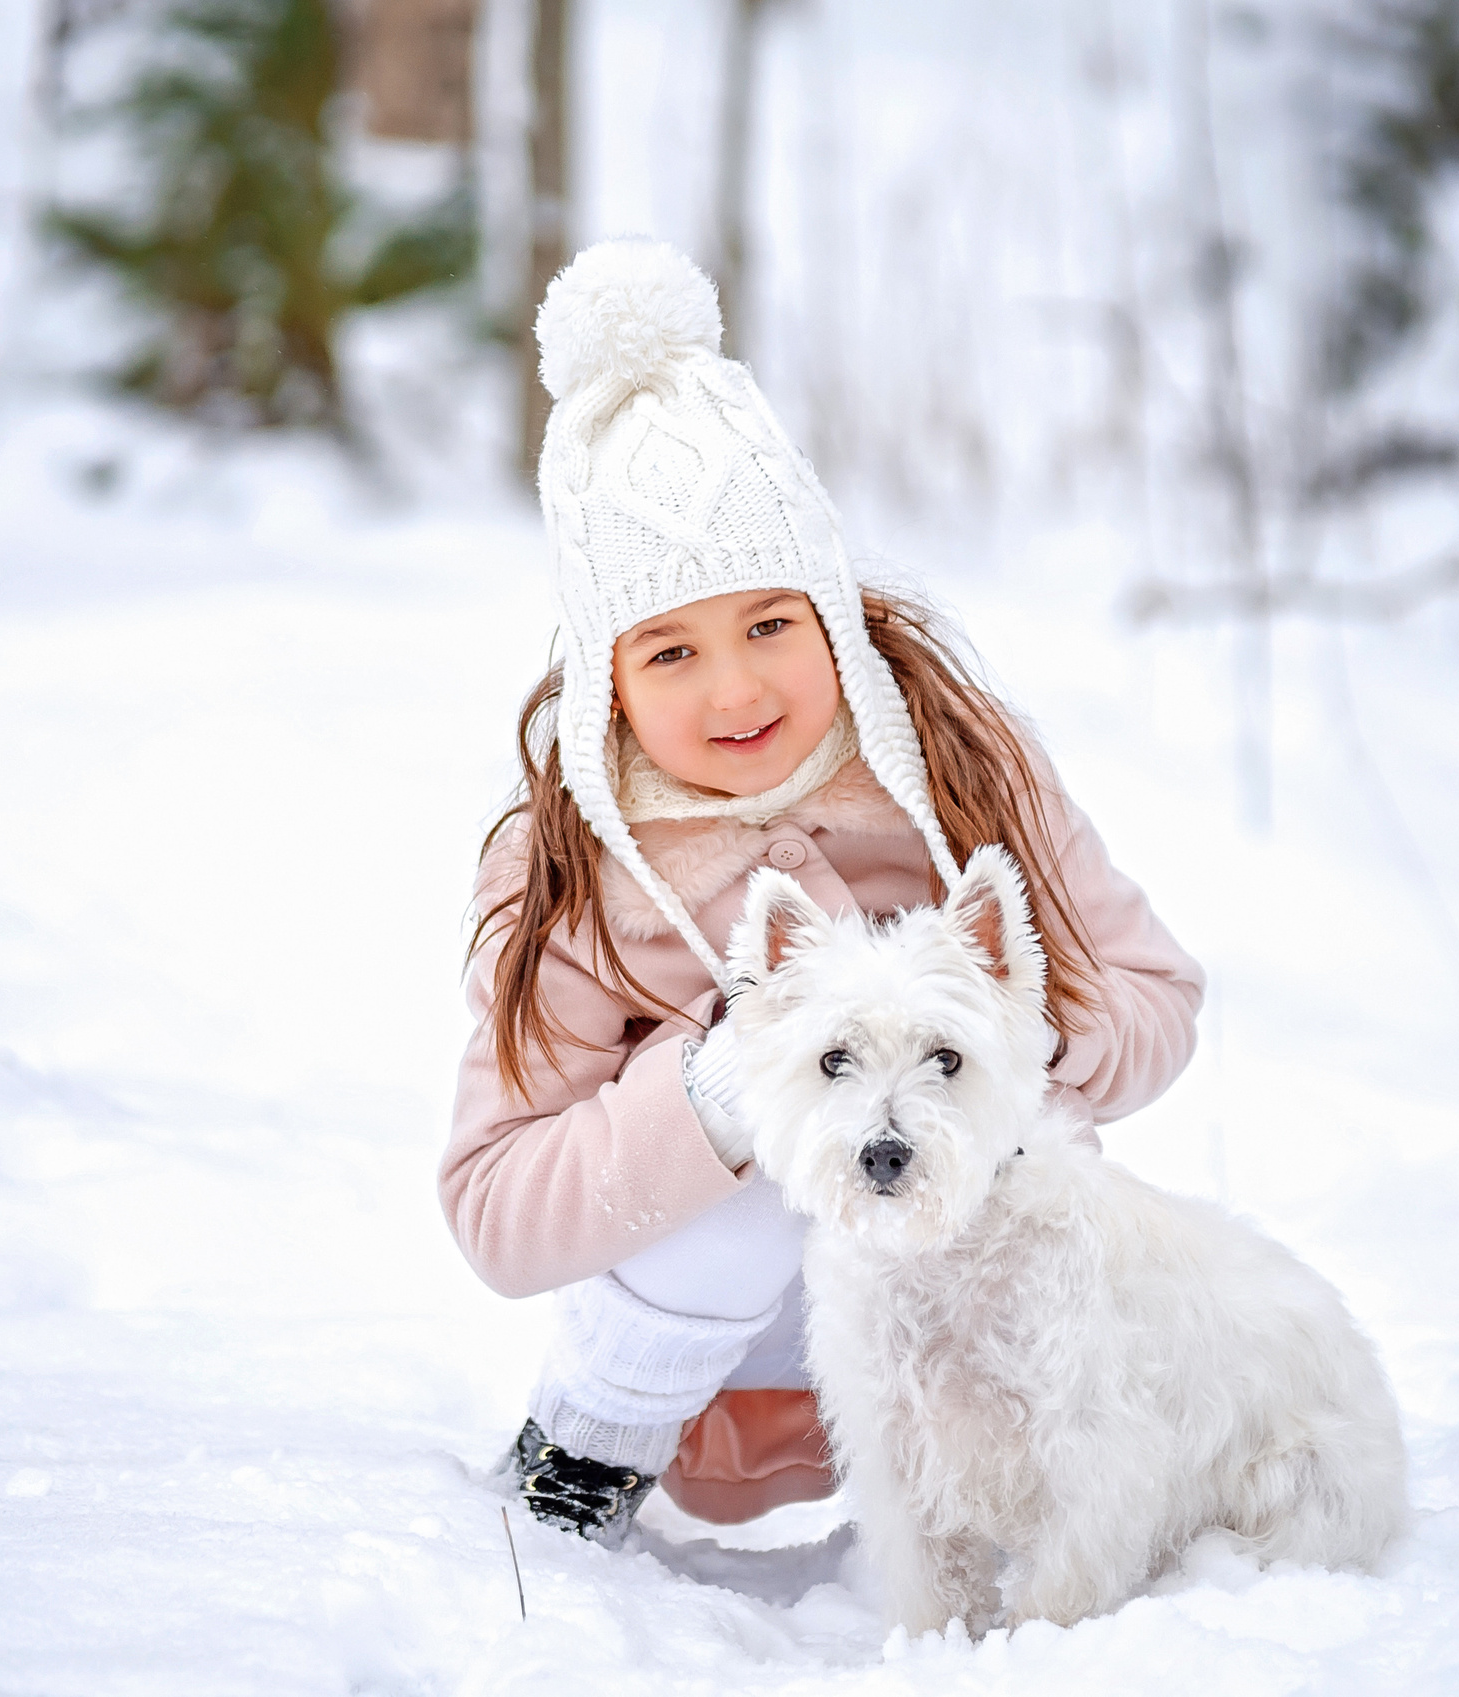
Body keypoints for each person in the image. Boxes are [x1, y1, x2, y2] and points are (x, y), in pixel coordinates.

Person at [442, 238, 1205, 1545]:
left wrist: (1009, 1035)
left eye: (770, 624)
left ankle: (1031, 1494)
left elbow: (1157, 998)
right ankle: (580, 1461)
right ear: (604, 678)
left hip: (964, 1290)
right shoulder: (568, 868)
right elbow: (493, 1212)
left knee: (1042, 1160)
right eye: (669, 651)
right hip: (727, 1326)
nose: (735, 689)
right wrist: (718, 1092)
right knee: (774, 1160)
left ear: (834, 614)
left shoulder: (961, 763)